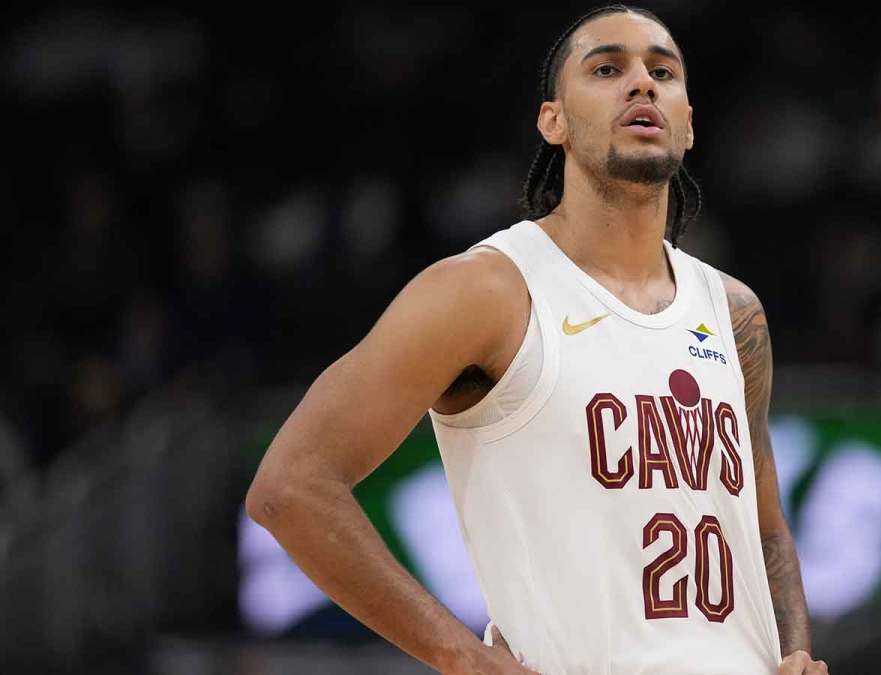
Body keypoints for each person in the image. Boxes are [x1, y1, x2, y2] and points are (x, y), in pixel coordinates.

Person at [246, 5, 826, 673]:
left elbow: (766, 529)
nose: (642, 84)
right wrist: (459, 655)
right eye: (607, 68)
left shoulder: (733, 310)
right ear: (552, 120)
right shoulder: (487, 290)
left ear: (688, 123)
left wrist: (798, 651)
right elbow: (290, 484)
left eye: (662, 72)